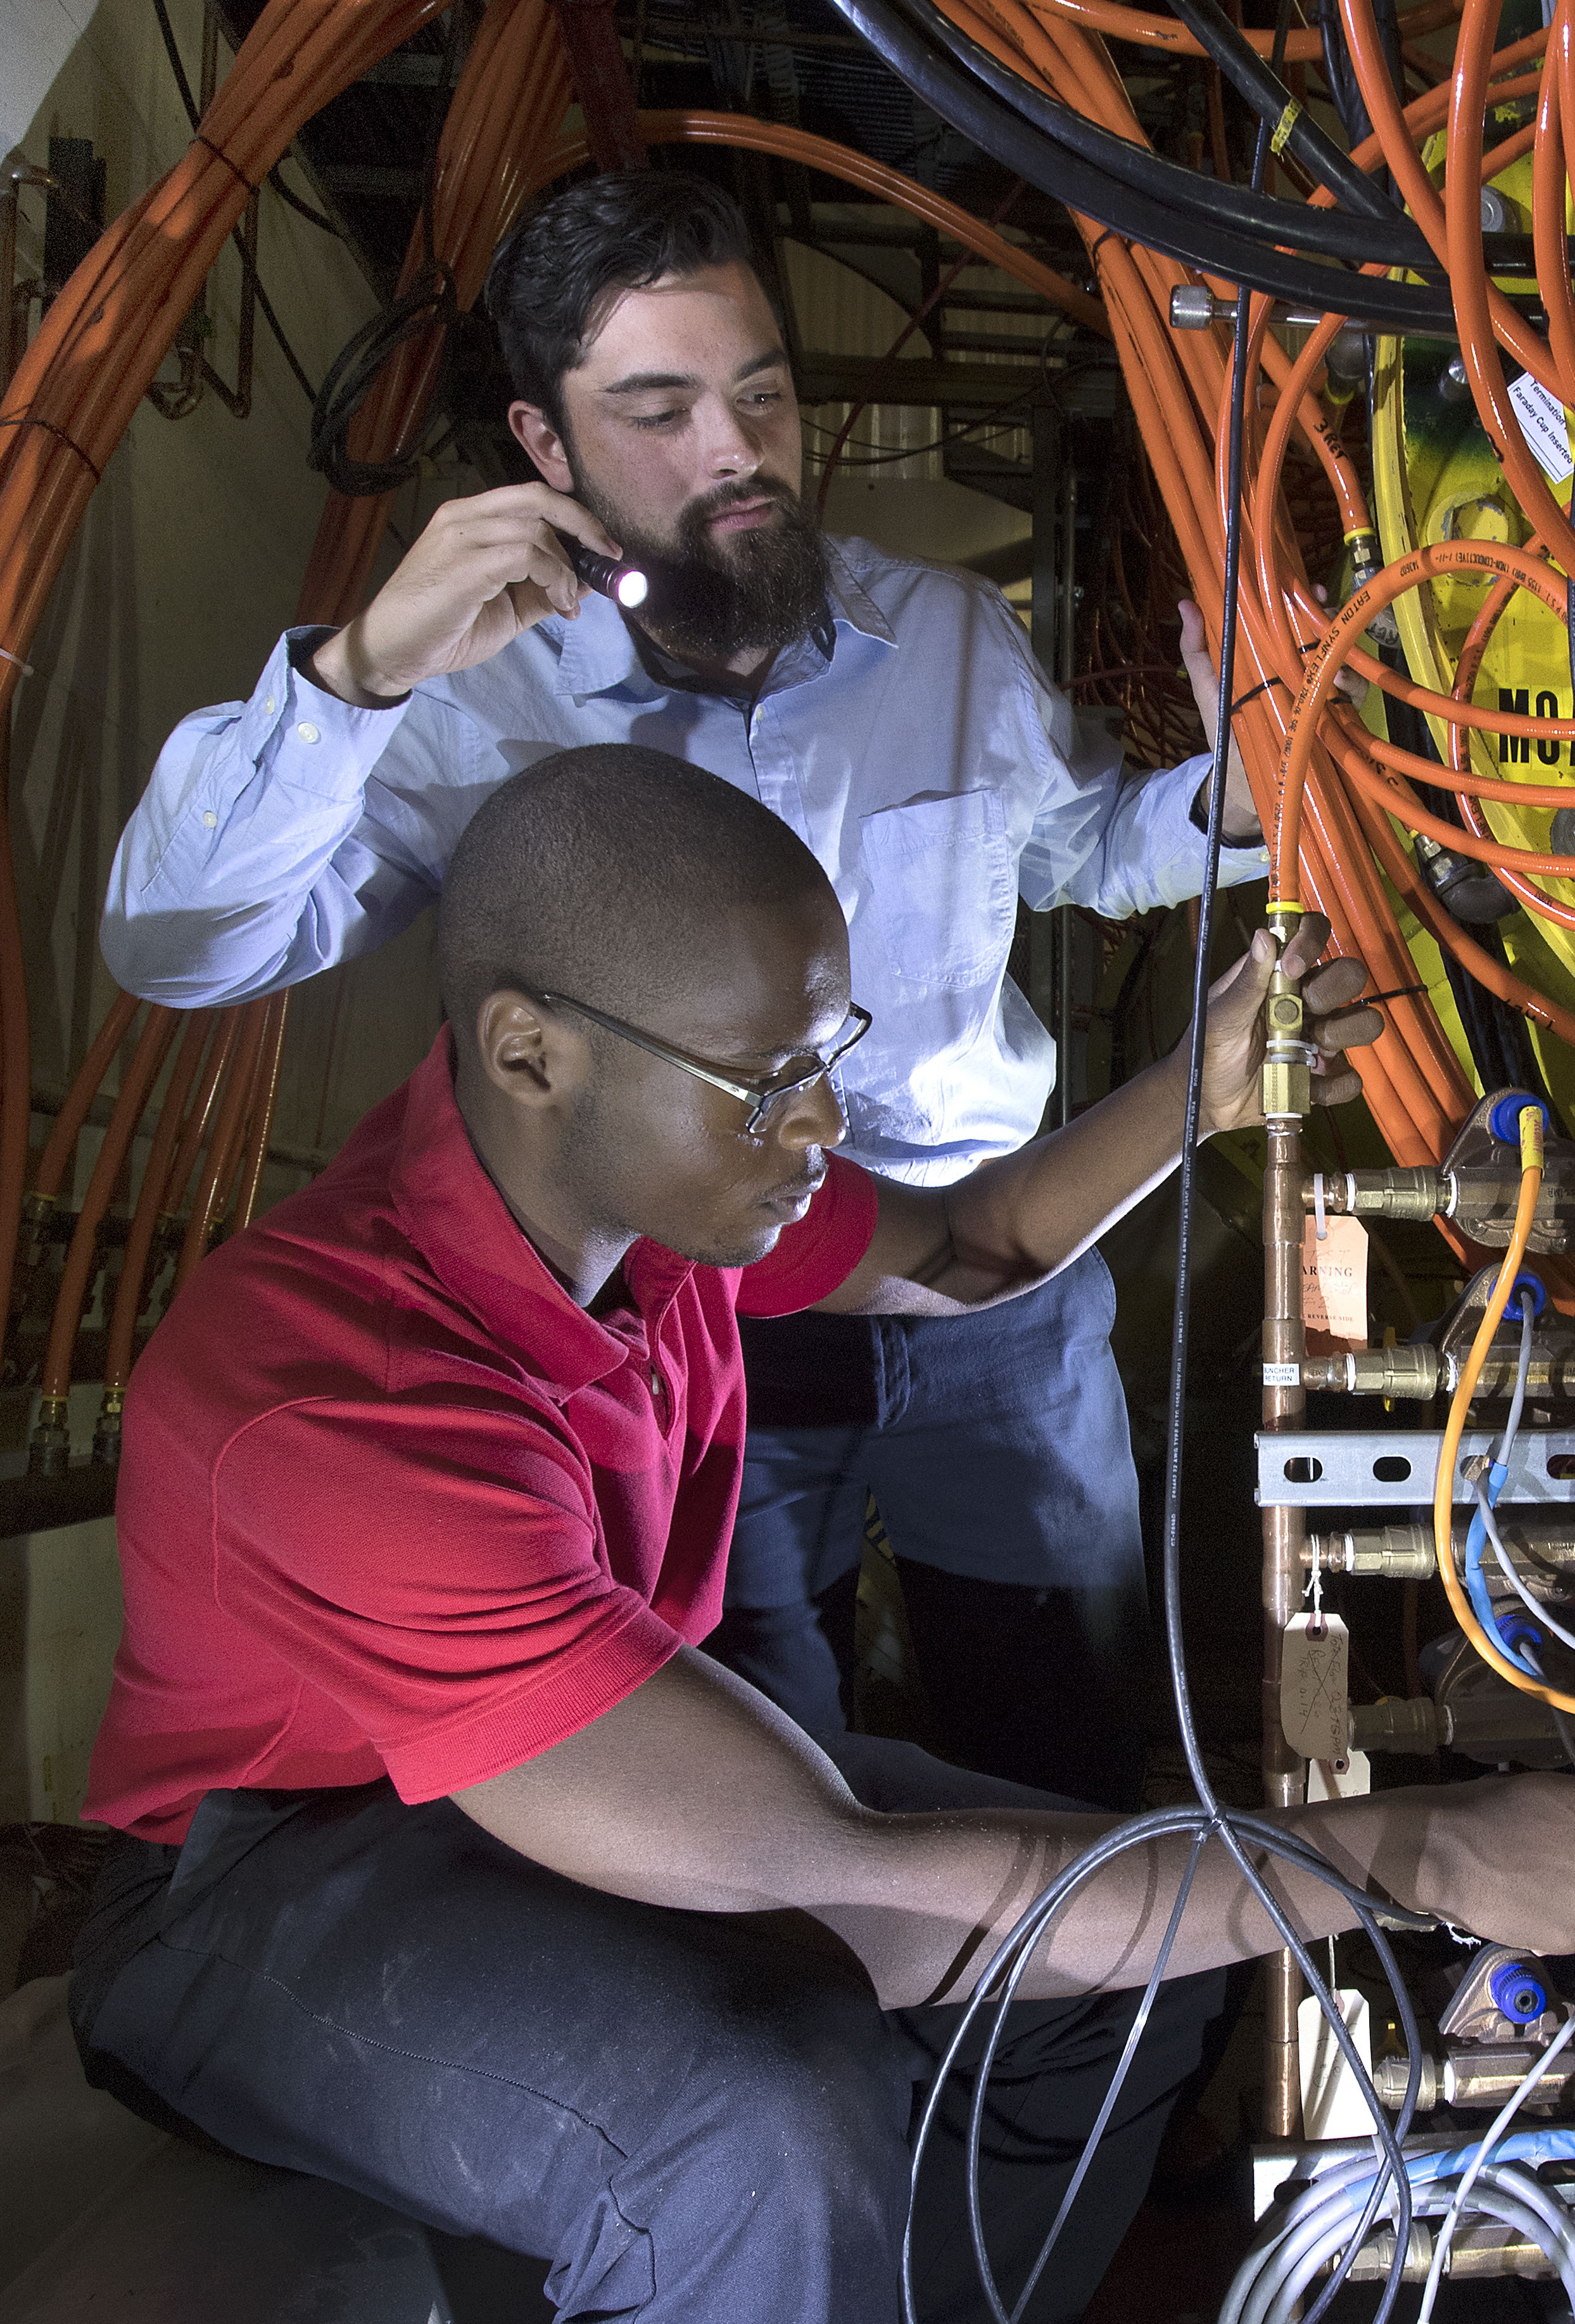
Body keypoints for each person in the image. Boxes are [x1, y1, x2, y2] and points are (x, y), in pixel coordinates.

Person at [70, 745, 1575, 2324]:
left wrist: (1194, 1095)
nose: (822, 1117)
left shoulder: (669, 1188)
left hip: (561, 1757)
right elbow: (832, 1862)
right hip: (265, 1874)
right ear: (531, 1052)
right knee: (755, 2110)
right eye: (766, 1081)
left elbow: (979, 1244)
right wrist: (1408, 1855)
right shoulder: (350, 1389)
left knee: (1136, 1979)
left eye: (826, 1051)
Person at [102, 165, 1263, 1810]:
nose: (735, 451)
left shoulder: (941, 633)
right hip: (693, 1314)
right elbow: (181, 947)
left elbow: (1084, 848)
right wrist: (357, 680)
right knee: (755, 1755)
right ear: (542, 446)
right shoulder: (474, 695)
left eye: (763, 393)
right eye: (659, 409)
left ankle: (1061, 2057)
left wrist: (1241, 801)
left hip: (994, 1267)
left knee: (1060, 1721)